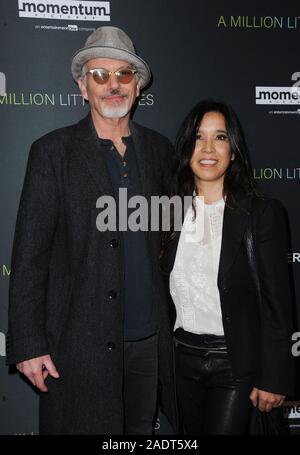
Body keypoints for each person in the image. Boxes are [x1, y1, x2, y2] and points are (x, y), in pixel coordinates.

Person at [6, 26, 176, 435]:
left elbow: (172, 241)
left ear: (137, 88)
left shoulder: (160, 151)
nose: (112, 85)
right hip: (77, 344)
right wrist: (29, 344)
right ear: (83, 87)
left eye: (123, 75)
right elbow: (30, 256)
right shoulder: (52, 153)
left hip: (149, 343)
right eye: (100, 76)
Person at [160, 100, 295, 434]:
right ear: (186, 148)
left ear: (233, 150)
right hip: (180, 363)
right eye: (198, 137)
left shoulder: (261, 214)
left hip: (235, 364)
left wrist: (274, 377)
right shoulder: (166, 213)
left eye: (219, 137)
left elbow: (278, 304)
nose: (208, 148)